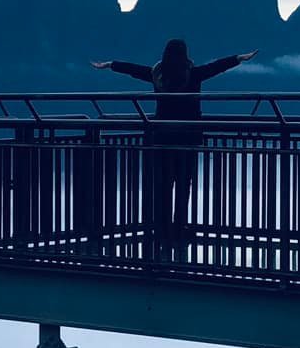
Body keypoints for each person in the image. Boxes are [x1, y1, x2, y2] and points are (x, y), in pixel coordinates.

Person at [92, 39, 258, 254]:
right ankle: (179, 226)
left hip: (161, 137)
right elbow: (216, 67)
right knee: (183, 184)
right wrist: (239, 58)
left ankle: (161, 227)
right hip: (187, 138)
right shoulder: (193, 74)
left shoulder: (157, 75)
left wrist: (111, 64)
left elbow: (134, 70)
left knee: (163, 184)